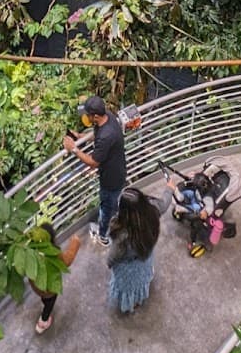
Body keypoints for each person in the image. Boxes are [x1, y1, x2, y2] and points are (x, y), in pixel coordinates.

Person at [62, 95, 127, 247]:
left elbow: (93, 162)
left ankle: (103, 237)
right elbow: (96, 135)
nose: (85, 117)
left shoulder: (106, 136)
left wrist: (74, 149)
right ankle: (117, 218)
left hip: (110, 179)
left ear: (95, 116)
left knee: (105, 207)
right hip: (118, 172)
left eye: (87, 115)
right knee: (113, 202)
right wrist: (79, 137)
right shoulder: (108, 117)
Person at [106, 181, 174, 314]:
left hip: (127, 269)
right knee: (142, 278)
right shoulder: (152, 211)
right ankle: (139, 298)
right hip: (144, 256)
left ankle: (131, 303)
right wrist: (169, 189)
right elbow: (164, 204)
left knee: (129, 287)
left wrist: (109, 263)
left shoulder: (122, 236)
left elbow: (112, 257)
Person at [30, 223, 81, 334]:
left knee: (44, 298)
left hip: (36, 285)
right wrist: (75, 242)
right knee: (49, 303)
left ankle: (44, 302)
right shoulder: (53, 253)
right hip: (49, 289)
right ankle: (42, 322)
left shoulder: (31, 251)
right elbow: (67, 260)